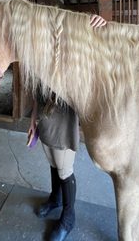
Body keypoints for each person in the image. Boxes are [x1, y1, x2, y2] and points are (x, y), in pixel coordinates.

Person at [27, 14, 107, 241]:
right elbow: (36, 92)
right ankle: (55, 199)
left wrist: (98, 29)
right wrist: (33, 119)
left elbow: (95, 57)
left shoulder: (73, 55)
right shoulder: (41, 55)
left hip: (64, 119)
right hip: (45, 119)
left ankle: (68, 217)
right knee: (52, 162)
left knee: (64, 169)